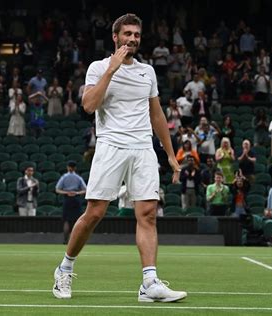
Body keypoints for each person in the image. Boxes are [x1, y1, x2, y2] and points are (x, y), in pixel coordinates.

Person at [52, 14, 186, 303]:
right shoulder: (98, 67)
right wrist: (111, 70)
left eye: (136, 34)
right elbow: (88, 105)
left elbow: (157, 114)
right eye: (127, 34)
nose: (132, 39)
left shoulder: (147, 72)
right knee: (95, 213)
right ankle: (64, 268)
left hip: (142, 148)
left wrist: (171, 155)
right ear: (115, 37)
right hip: (111, 145)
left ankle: (149, 282)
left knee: (148, 213)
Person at [55, 161, 87, 244]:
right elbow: (85, 190)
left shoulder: (64, 177)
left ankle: (66, 240)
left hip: (67, 199)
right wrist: (76, 193)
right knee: (77, 220)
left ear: (67, 167)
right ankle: (76, 240)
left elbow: (57, 189)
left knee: (66, 221)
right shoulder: (78, 178)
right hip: (76, 199)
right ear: (75, 168)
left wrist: (66, 193)